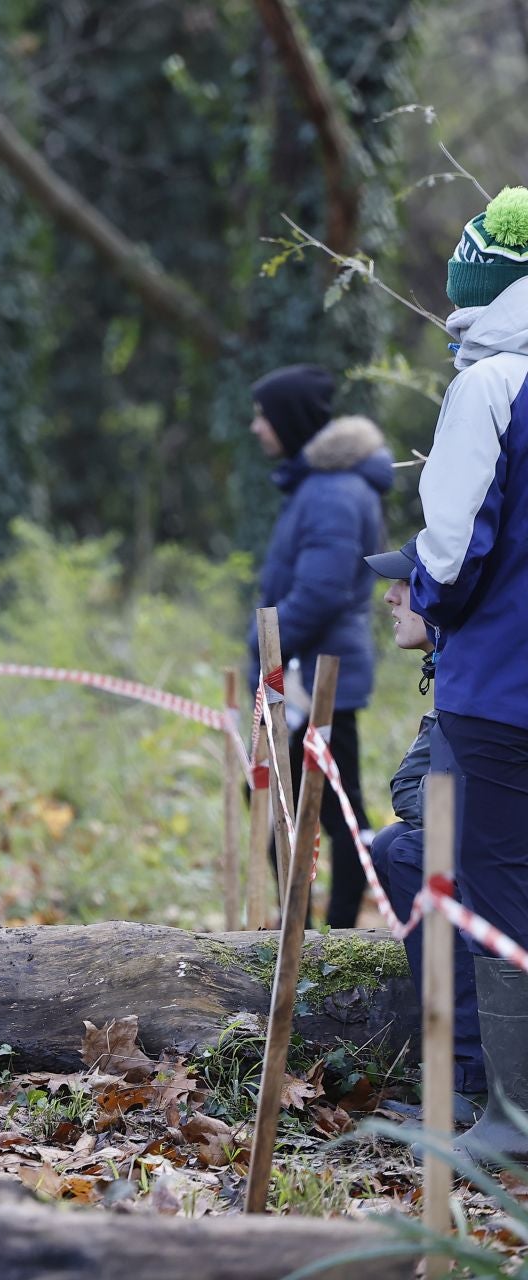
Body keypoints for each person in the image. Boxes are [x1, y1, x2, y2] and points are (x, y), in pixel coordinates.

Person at [407, 185, 528, 1163]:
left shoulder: (490, 387)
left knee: (499, 890)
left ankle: (511, 1121)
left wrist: (425, 606)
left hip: (501, 689)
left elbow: (451, 551)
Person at [247, 363, 392, 927]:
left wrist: (269, 653)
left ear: (290, 419)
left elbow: (322, 590)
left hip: (317, 676)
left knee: (335, 812)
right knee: (294, 801)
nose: (256, 427)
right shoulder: (317, 483)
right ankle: (307, 938)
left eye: (263, 415)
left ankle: (329, 942)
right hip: (306, 673)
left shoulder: (333, 490)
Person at [363, 540, 483, 1124]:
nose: (389, 596)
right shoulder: (458, 658)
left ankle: (471, 1078)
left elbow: (426, 798)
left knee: (409, 850)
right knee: (394, 847)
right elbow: (421, 791)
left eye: (405, 584)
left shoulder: (477, 664)